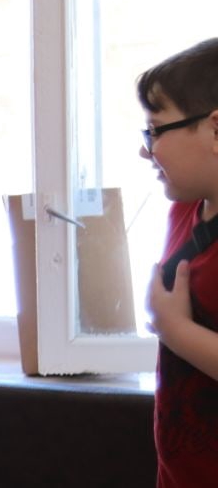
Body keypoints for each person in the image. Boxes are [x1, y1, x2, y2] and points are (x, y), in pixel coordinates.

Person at [137, 38, 218, 487]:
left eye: (156, 130)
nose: (145, 149)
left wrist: (174, 329)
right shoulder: (184, 210)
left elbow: (174, 326)